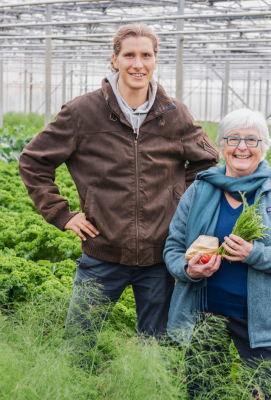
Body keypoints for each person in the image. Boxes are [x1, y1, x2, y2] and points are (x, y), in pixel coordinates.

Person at [19, 23, 219, 343]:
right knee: (79, 346)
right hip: (103, 252)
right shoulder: (83, 112)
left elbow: (207, 161)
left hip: (160, 256)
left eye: (146, 55)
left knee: (157, 351)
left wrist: (182, 204)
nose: (137, 64)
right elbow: (33, 160)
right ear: (115, 60)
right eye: (129, 55)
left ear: (155, 61)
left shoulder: (174, 114)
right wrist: (62, 214)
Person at [163, 108, 271, 399]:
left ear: (263, 147)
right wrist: (188, 270)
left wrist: (255, 253)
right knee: (205, 390)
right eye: (233, 139)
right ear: (221, 145)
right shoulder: (199, 190)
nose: (242, 147)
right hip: (204, 313)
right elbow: (173, 247)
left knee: (270, 392)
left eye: (252, 140)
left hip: (260, 320)